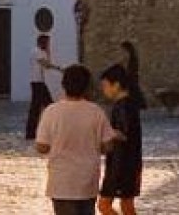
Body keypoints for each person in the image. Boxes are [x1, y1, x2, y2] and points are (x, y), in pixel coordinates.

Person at [35, 64, 119, 215]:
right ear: (87, 87)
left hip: (61, 181)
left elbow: (42, 146)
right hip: (87, 181)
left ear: (63, 85)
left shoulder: (51, 112)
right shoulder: (96, 112)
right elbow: (108, 146)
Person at [97, 65, 143, 215]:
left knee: (105, 205)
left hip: (121, 164)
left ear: (116, 85)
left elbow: (124, 134)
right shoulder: (128, 104)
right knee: (126, 205)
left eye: (105, 86)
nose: (104, 90)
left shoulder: (123, 106)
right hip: (128, 162)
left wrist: (104, 131)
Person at [25, 33, 61, 139]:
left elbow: (47, 64)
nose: (48, 44)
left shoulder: (41, 52)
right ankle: (32, 132)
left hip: (39, 82)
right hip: (37, 82)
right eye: (47, 42)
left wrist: (48, 52)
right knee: (41, 107)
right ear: (42, 42)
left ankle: (33, 132)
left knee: (43, 106)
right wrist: (59, 68)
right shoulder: (36, 51)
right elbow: (46, 64)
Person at [117, 41, 147, 111]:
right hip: (131, 80)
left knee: (134, 93)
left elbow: (132, 71)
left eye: (123, 50)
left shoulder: (133, 59)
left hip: (132, 79)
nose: (122, 52)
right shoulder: (130, 59)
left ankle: (140, 106)